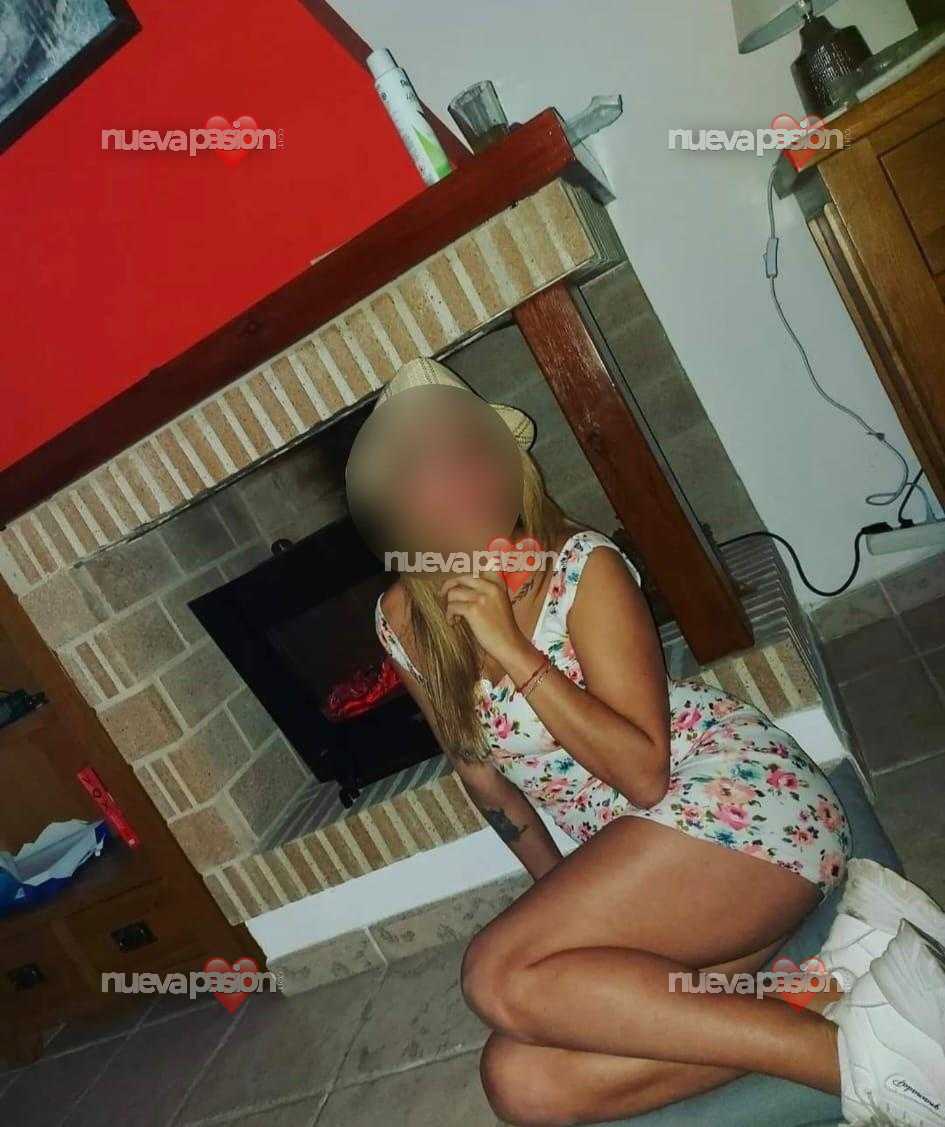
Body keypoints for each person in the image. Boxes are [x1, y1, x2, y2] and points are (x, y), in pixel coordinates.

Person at [346, 357, 945, 1126]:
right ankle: (834, 980)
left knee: (495, 974)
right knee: (521, 1080)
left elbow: (642, 774)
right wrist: (562, 906)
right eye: (427, 469)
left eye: (470, 454)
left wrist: (512, 650)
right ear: (398, 500)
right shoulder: (402, 618)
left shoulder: (582, 567)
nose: (458, 481)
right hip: (646, 862)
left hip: (739, 809)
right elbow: (484, 780)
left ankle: (899, 1073)